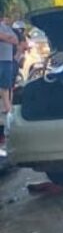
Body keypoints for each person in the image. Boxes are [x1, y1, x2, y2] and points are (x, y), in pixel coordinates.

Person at [0, 14, 16, 146]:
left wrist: (6, 37)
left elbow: (15, 40)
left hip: (7, 60)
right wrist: (7, 38)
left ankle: (7, 107)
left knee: (6, 85)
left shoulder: (7, 28)